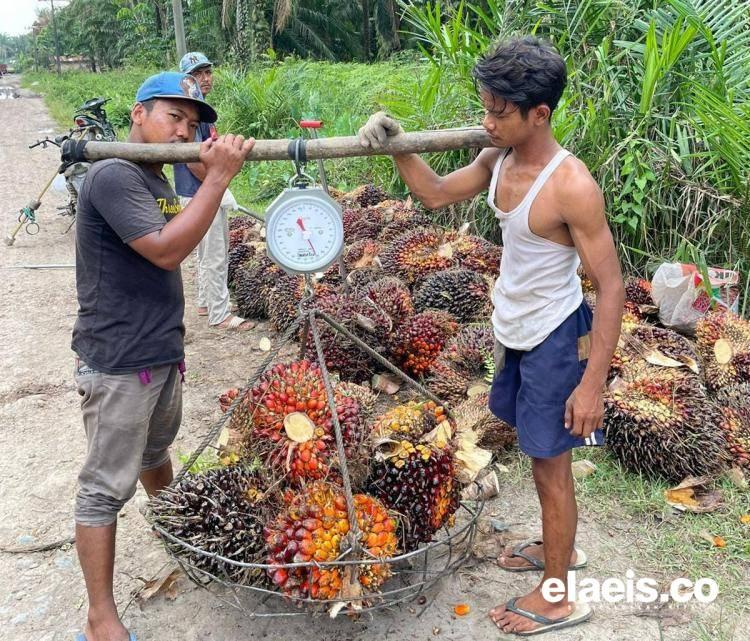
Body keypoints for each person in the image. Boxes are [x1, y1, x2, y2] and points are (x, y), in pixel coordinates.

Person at [359, 36, 624, 636]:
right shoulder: (498, 158)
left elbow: (611, 286)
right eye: (484, 107)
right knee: (536, 453)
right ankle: (560, 551)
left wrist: (592, 386)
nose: (486, 122)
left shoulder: (571, 185)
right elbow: (433, 193)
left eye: (499, 113)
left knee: (550, 466)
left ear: (540, 115)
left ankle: (558, 594)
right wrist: (396, 145)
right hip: (516, 331)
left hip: (557, 338)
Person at [71, 71, 254, 641]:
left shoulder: (155, 175)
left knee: (156, 452)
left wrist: (202, 166)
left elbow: (179, 219)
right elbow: (168, 251)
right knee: (104, 488)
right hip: (120, 359)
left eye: (194, 123)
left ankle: (177, 534)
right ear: (137, 114)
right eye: (173, 116)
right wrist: (217, 180)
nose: (184, 129)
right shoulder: (113, 175)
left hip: (159, 349)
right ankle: (101, 618)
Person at [174, 51, 253, 330]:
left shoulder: (201, 109)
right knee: (215, 252)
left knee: (205, 251)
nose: (205, 79)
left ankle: (206, 302)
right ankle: (220, 315)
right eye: (197, 74)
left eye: (207, 72)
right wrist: (218, 185)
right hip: (199, 191)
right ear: (186, 80)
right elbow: (193, 159)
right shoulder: (192, 113)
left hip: (198, 190)